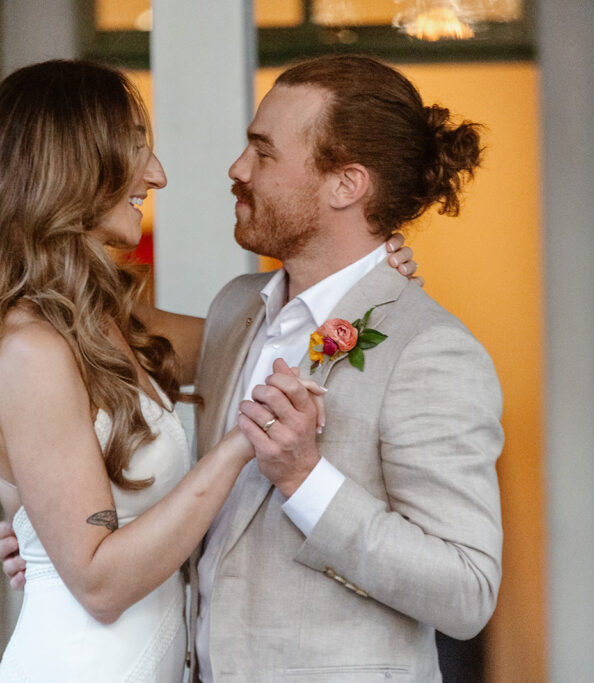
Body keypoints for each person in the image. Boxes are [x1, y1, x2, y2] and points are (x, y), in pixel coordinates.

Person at [0, 60, 416, 682]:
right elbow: (98, 581)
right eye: (134, 150)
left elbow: (270, 346)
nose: (157, 175)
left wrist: (359, 276)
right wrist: (241, 444)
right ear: (69, 166)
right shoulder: (28, 351)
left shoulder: (113, 325)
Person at [190, 55, 504, 682]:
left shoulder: (431, 350)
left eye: (263, 152)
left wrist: (305, 480)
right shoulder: (234, 309)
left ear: (346, 185)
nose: (237, 169)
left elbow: (467, 591)